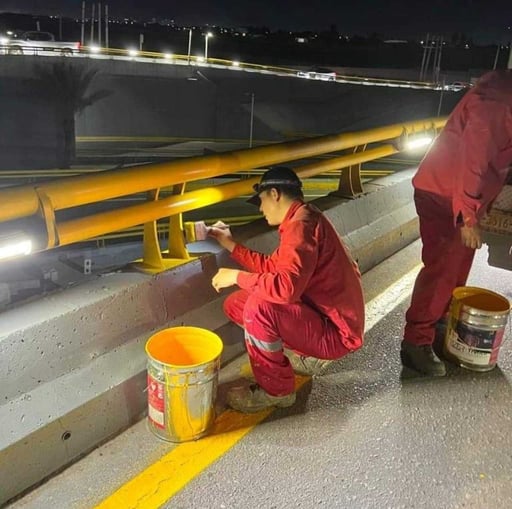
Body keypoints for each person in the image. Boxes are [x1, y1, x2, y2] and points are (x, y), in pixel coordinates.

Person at [209, 166, 365, 413]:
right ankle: (295, 356)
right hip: (324, 319)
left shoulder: (300, 227)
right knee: (237, 303)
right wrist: (230, 244)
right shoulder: (303, 217)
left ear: (274, 194)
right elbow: (272, 267)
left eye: (260, 201)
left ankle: (277, 391)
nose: (260, 209)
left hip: (336, 334)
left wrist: (237, 276)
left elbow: (285, 289)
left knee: (258, 308)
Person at [402, 69, 512, 376]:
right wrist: (468, 216)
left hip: (457, 195)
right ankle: (415, 344)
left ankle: (440, 330)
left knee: (457, 270)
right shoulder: (500, 102)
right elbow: (473, 160)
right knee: (443, 270)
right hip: (442, 194)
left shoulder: (504, 92)